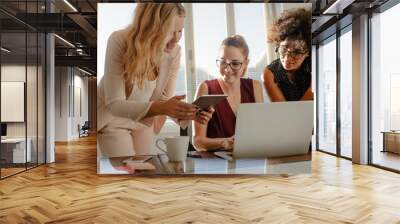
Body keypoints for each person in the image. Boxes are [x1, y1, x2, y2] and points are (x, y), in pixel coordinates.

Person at [97, 3, 213, 159]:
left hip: (142, 123)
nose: (177, 39)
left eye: (180, 30)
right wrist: (163, 107)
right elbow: (115, 104)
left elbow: (164, 100)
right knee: (126, 172)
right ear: (151, 27)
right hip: (110, 119)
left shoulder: (174, 52)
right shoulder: (119, 40)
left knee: (146, 170)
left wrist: (188, 114)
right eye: (171, 31)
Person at [193, 35, 264, 151]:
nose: (227, 69)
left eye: (235, 64)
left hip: (250, 159)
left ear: (246, 63)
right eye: (223, 62)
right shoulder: (205, 88)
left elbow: (260, 133)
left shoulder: (255, 87)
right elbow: (198, 142)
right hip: (216, 164)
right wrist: (224, 142)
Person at [262, 8, 313, 102]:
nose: (287, 58)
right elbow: (285, 111)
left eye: (297, 52)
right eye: (284, 49)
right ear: (278, 45)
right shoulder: (270, 74)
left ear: (308, 52)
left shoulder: (316, 66)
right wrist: (312, 89)